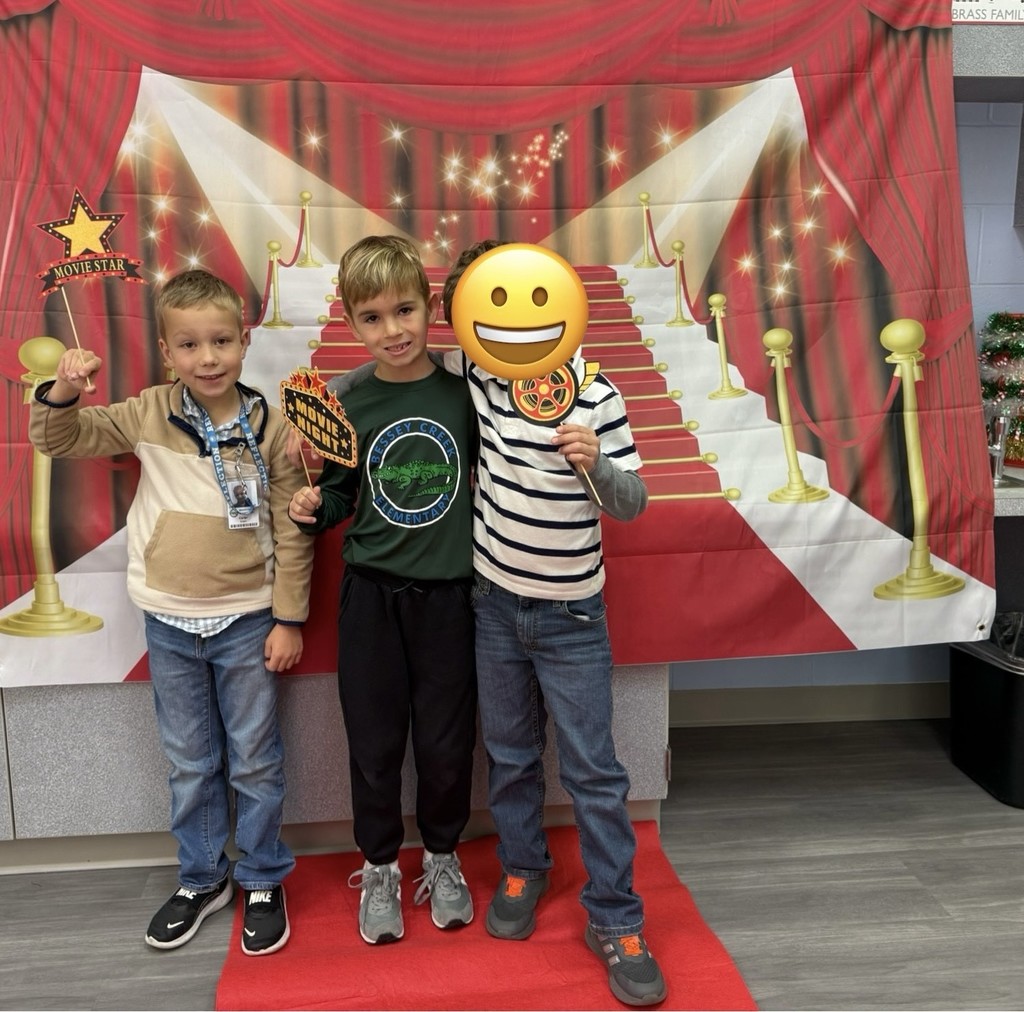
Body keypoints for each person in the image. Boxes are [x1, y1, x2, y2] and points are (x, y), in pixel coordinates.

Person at [330, 240, 667, 1006]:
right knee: (509, 757)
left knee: (593, 773)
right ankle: (523, 867)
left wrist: (597, 463)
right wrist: (312, 414)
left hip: (574, 613)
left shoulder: (595, 391)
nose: (509, 324)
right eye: (490, 309)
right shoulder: (476, 376)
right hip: (490, 607)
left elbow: (633, 502)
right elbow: (378, 377)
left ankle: (616, 918)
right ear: (465, 322)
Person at [29, 269, 312, 957]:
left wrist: (289, 618)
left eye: (221, 341)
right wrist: (64, 389)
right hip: (168, 619)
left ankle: (262, 876)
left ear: (244, 342)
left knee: (254, 761)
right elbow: (57, 439)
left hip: (248, 620)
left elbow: (292, 527)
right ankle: (203, 877)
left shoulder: (273, 425)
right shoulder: (148, 411)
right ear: (165, 350)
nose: (207, 358)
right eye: (189, 345)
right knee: (190, 762)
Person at [288, 235, 478, 945]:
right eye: (372, 318)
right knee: (373, 745)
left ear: (430, 307)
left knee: (446, 744)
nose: (392, 330)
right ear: (351, 323)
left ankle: (443, 857)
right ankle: (378, 868)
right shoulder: (347, 402)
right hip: (370, 598)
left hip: (452, 600)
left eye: (404, 310)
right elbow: (341, 495)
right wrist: (314, 510)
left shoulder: (464, 395)